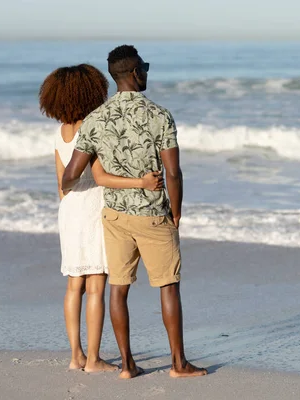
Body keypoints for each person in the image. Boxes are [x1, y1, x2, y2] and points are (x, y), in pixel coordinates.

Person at [62, 45, 207, 379]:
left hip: (115, 216)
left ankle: (127, 365)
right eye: (145, 67)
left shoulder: (96, 119)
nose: (147, 72)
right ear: (134, 73)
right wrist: (177, 212)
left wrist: (92, 178)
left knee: (119, 288)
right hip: (154, 215)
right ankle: (178, 363)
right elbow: (173, 172)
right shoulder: (159, 115)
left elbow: (71, 176)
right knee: (168, 286)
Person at [39, 64, 164, 372]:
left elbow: (61, 184)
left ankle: (76, 356)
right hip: (93, 205)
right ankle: (94, 359)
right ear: (90, 93)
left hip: (68, 208)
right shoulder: (92, 128)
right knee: (97, 284)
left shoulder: (60, 133)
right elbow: (101, 176)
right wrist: (141, 182)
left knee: (74, 286)